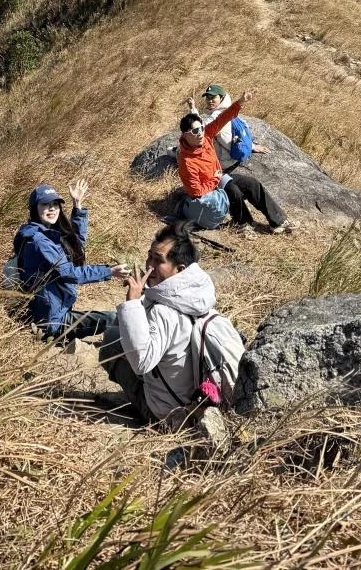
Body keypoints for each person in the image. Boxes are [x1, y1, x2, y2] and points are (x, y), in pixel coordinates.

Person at [99, 224, 244, 427]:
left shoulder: (164, 311)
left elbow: (141, 362)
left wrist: (133, 303)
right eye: (149, 256)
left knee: (111, 340)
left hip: (168, 415)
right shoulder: (196, 295)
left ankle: (146, 409)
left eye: (158, 260)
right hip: (193, 399)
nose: (149, 265)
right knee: (121, 323)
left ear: (180, 269)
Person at [10, 180, 128, 339]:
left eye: (55, 204)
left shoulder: (45, 233)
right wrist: (109, 271)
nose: (52, 208)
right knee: (115, 319)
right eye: (45, 204)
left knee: (113, 318)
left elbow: (75, 246)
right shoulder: (38, 241)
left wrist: (77, 205)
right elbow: (70, 273)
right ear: (34, 209)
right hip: (51, 322)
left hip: (56, 310)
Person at [176, 89, 290, 232]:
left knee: (252, 184)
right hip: (208, 191)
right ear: (185, 135)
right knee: (232, 190)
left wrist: (241, 101)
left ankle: (278, 221)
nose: (200, 134)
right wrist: (215, 179)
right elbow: (196, 192)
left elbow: (222, 119)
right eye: (195, 131)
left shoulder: (206, 136)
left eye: (201, 129)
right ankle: (243, 224)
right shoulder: (186, 161)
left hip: (218, 178)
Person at [199, 83, 269, 175]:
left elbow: (201, 133)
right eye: (208, 98)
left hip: (223, 162)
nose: (210, 100)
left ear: (222, 98)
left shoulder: (216, 115)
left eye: (213, 97)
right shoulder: (227, 111)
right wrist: (252, 146)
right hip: (232, 157)